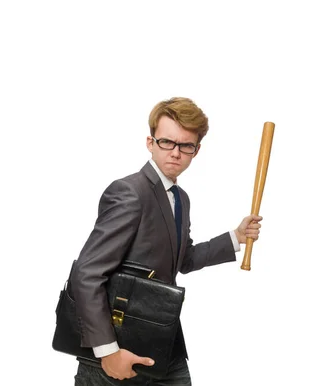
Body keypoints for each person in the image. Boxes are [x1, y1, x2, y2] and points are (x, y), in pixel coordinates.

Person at [71, 97, 263, 385]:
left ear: (196, 151)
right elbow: (87, 273)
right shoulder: (129, 192)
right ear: (150, 142)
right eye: (167, 142)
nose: (176, 152)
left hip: (161, 341)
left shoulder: (180, 199)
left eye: (186, 145)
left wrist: (235, 237)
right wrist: (108, 351)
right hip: (116, 346)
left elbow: (183, 260)